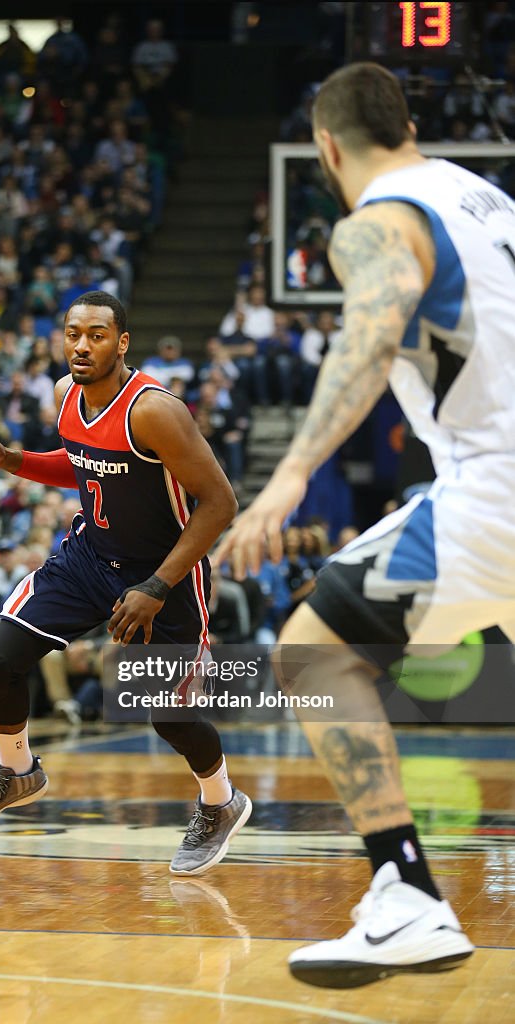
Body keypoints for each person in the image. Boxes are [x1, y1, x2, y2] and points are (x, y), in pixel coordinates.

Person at [214, 62, 505, 986]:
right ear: (408, 125)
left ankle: (407, 892)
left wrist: (288, 473)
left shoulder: (378, 219)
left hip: (492, 494)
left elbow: (371, 332)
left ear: (327, 147)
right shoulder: (489, 205)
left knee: (311, 653)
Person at [0, 290, 251, 875]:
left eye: (97, 335)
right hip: (88, 559)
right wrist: (12, 460)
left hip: (168, 575)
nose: (82, 345)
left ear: (122, 342)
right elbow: (80, 461)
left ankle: (220, 801)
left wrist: (157, 586)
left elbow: (220, 504)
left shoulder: (156, 411)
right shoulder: (65, 395)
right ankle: (16, 771)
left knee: (170, 717)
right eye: (73, 334)